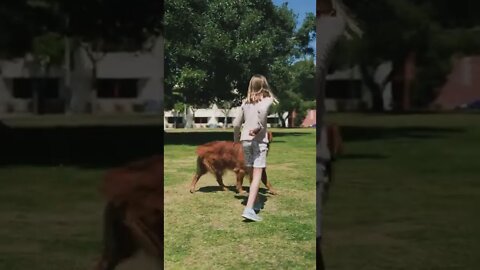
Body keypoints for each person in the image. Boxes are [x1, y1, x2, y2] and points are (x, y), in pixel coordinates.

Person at [233, 74, 278, 222]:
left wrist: (235, 139)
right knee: (257, 174)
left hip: (245, 140)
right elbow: (263, 111)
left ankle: (256, 202)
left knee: (252, 173)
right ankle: (249, 209)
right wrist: (259, 128)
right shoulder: (267, 99)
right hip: (258, 141)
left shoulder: (245, 102)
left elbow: (236, 124)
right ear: (264, 85)